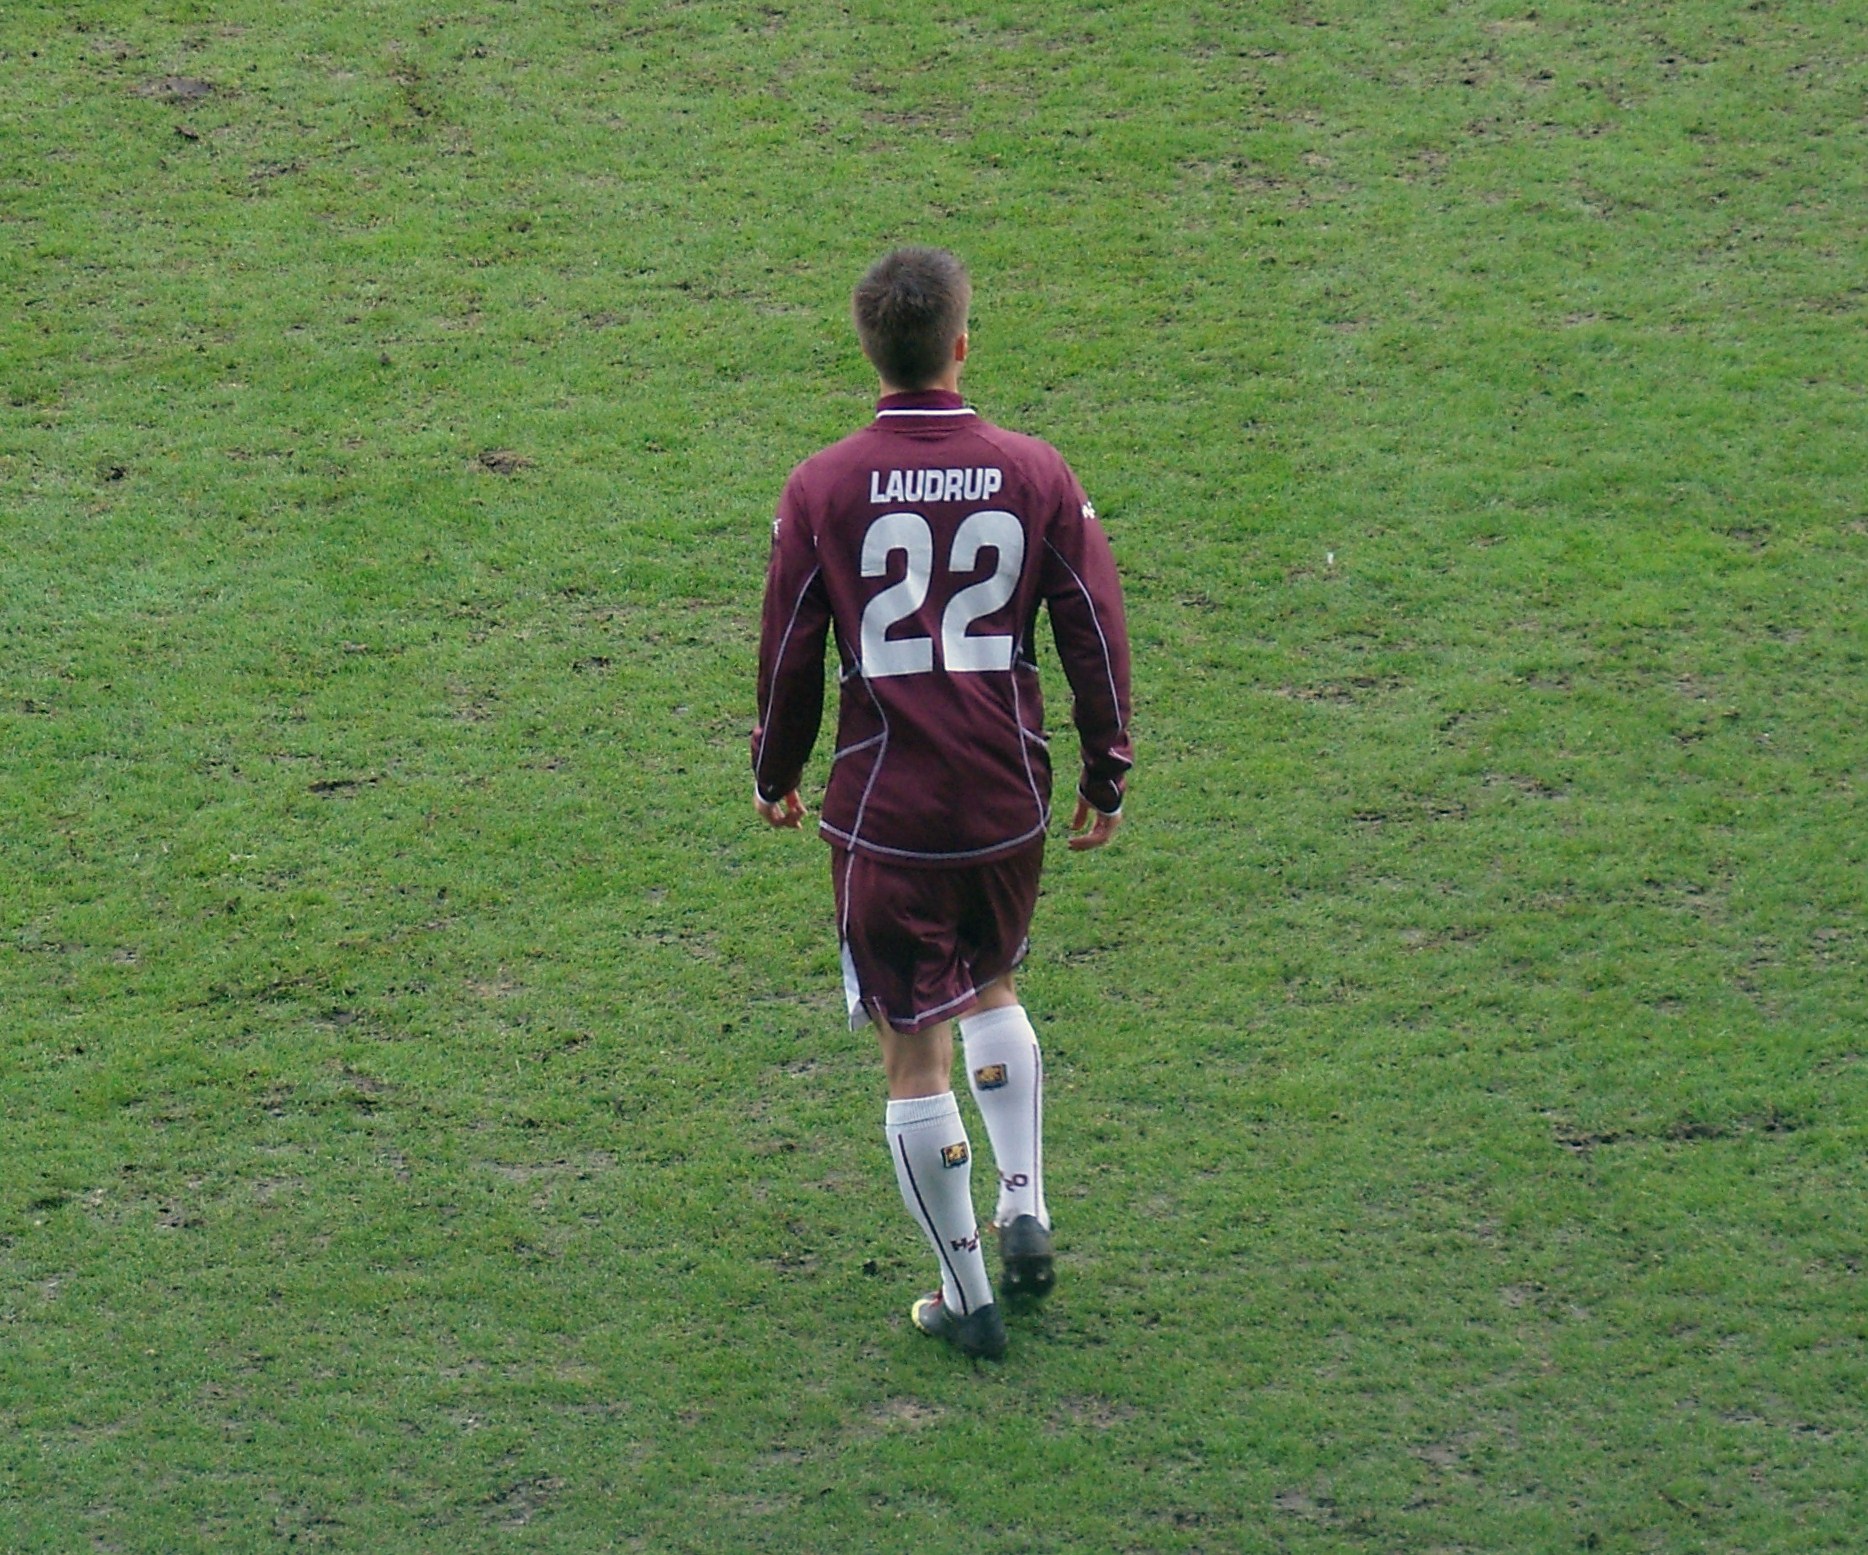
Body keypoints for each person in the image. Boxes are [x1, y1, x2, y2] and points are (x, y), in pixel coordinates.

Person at [751, 247, 1133, 1360]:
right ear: (962, 343)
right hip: (1006, 797)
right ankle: (1025, 1203)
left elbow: (791, 651)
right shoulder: (1035, 470)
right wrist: (1106, 767)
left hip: (888, 813)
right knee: (991, 978)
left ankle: (966, 1298)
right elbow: (1093, 625)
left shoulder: (822, 485)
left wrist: (775, 769)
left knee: (911, 1043)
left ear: (868, 351)